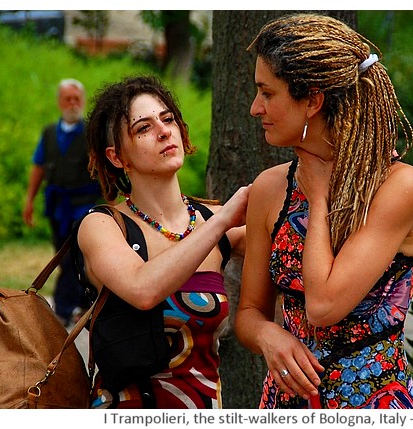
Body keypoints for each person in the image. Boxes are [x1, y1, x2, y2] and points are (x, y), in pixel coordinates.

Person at [234, 13, 413, 409]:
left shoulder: (398, 187)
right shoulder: (272, 187)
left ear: (313, 101)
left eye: (267, 93)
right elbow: (250, 311)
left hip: (371, 402)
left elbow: (322, 306)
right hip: (285, 404)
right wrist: (268, 336)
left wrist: (319, 198)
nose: (256, 108)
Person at [74, 75, 250, 408]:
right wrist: (224, 220)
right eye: (143, 128)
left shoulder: (215, 222)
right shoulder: (102, 225)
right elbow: (143, 290)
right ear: (116, 157)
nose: (164, 131)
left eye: (167, 119)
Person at [23, 78, 103, 327]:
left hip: (84, 204)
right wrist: (30, 201)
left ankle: (62, 310)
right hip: (57, 205)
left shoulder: (92, 132)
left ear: (83, 101)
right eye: (67, 99)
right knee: (63, 254)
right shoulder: (49, 133)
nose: (72, 103)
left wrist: (112, 200)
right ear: (59, 102)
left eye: (76, 99)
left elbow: (104, 167)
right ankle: (86, 303)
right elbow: (38, 167)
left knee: (71, 256)